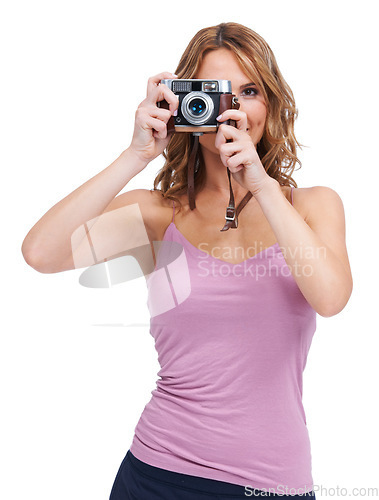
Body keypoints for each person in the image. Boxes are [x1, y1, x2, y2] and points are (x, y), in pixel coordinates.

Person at [21, 22, 353, 500]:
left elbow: (331, 297)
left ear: (272, 105)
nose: (232, 109)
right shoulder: (160, 216)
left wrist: (260, 183)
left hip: (273, 483)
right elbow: (41, 252)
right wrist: (136, 154)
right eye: (213, 93)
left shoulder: (312, 206)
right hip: (156, 472)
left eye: (250, 90)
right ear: (183, 104)